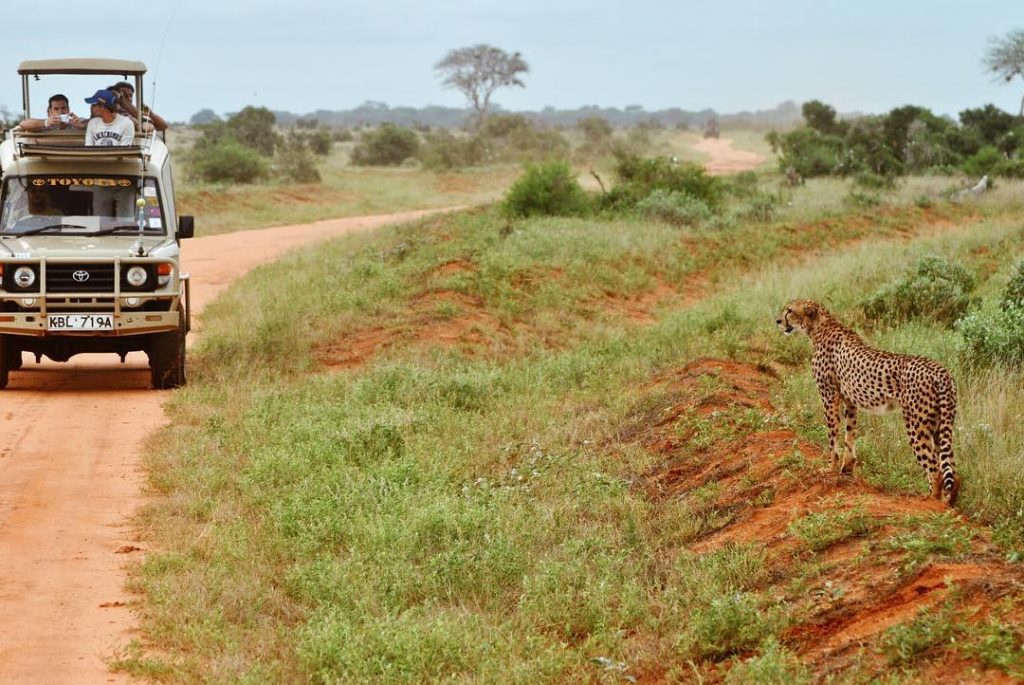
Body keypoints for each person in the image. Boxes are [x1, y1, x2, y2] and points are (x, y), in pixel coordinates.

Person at [18, 94, 84, 131]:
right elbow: (23, 124)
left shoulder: (76, 121)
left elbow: (93, 124)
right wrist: (46, 123)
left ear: (68, 109)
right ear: (50, 111)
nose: (60, 112)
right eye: (56, 109)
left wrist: (81, 126)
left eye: (63, 108)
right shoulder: (45, 124)